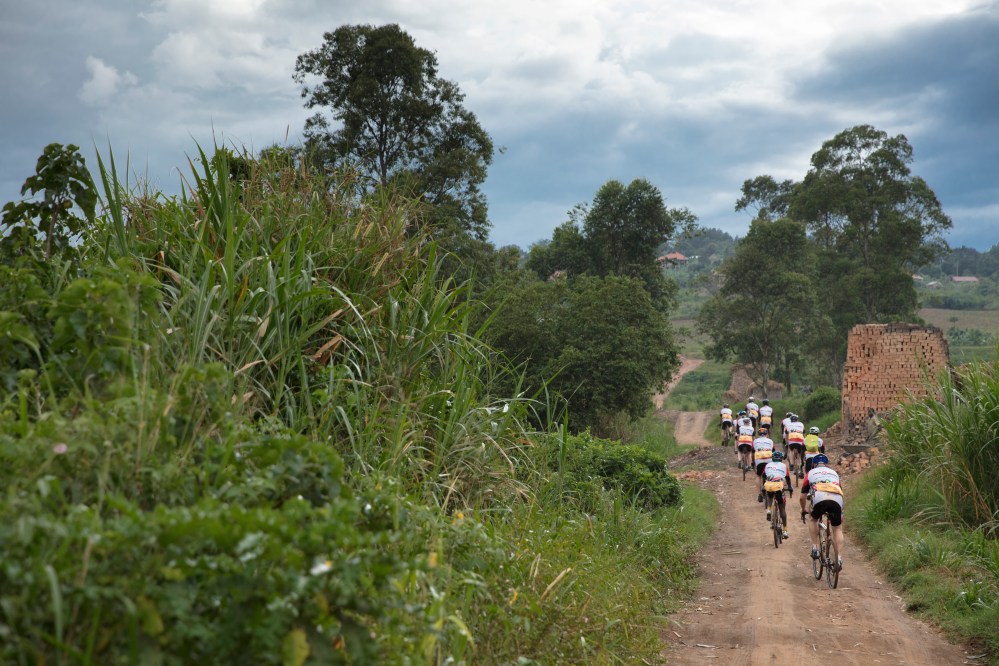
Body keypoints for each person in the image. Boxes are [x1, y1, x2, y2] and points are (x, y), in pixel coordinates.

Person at [800, 454, 844, 572]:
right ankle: (839, 558)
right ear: (826, 464)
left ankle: (815, 547)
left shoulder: (810, 473)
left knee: (813, 519)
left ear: (814, 464)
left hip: (819, 497)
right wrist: (841, 514)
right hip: (837, 499)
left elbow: (802, 497)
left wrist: (803, 509)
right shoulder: (834, 473)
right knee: (837, 528)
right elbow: (840, 491)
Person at [763, 450, 793, 539]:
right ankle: (785, 530)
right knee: (782, 508)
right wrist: (790, 487)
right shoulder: (784, 466)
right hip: (779, 486)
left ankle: (769, 509)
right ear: (781, 459)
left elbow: (764, 476)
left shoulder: (768, 465)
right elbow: (788, 478)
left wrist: (763, 486)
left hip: (769, 484)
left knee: (770, 495)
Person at [752, 428, 775, 502]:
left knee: (758, 476)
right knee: (770, 474)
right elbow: (773, 451)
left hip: (759, 460)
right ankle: (770, 489)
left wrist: (753, 462)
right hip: (769, 459)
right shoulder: (770, 441)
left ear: (758, 435)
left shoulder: (755, 441)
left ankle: (759, 494)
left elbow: (753, 451)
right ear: (767, 434)